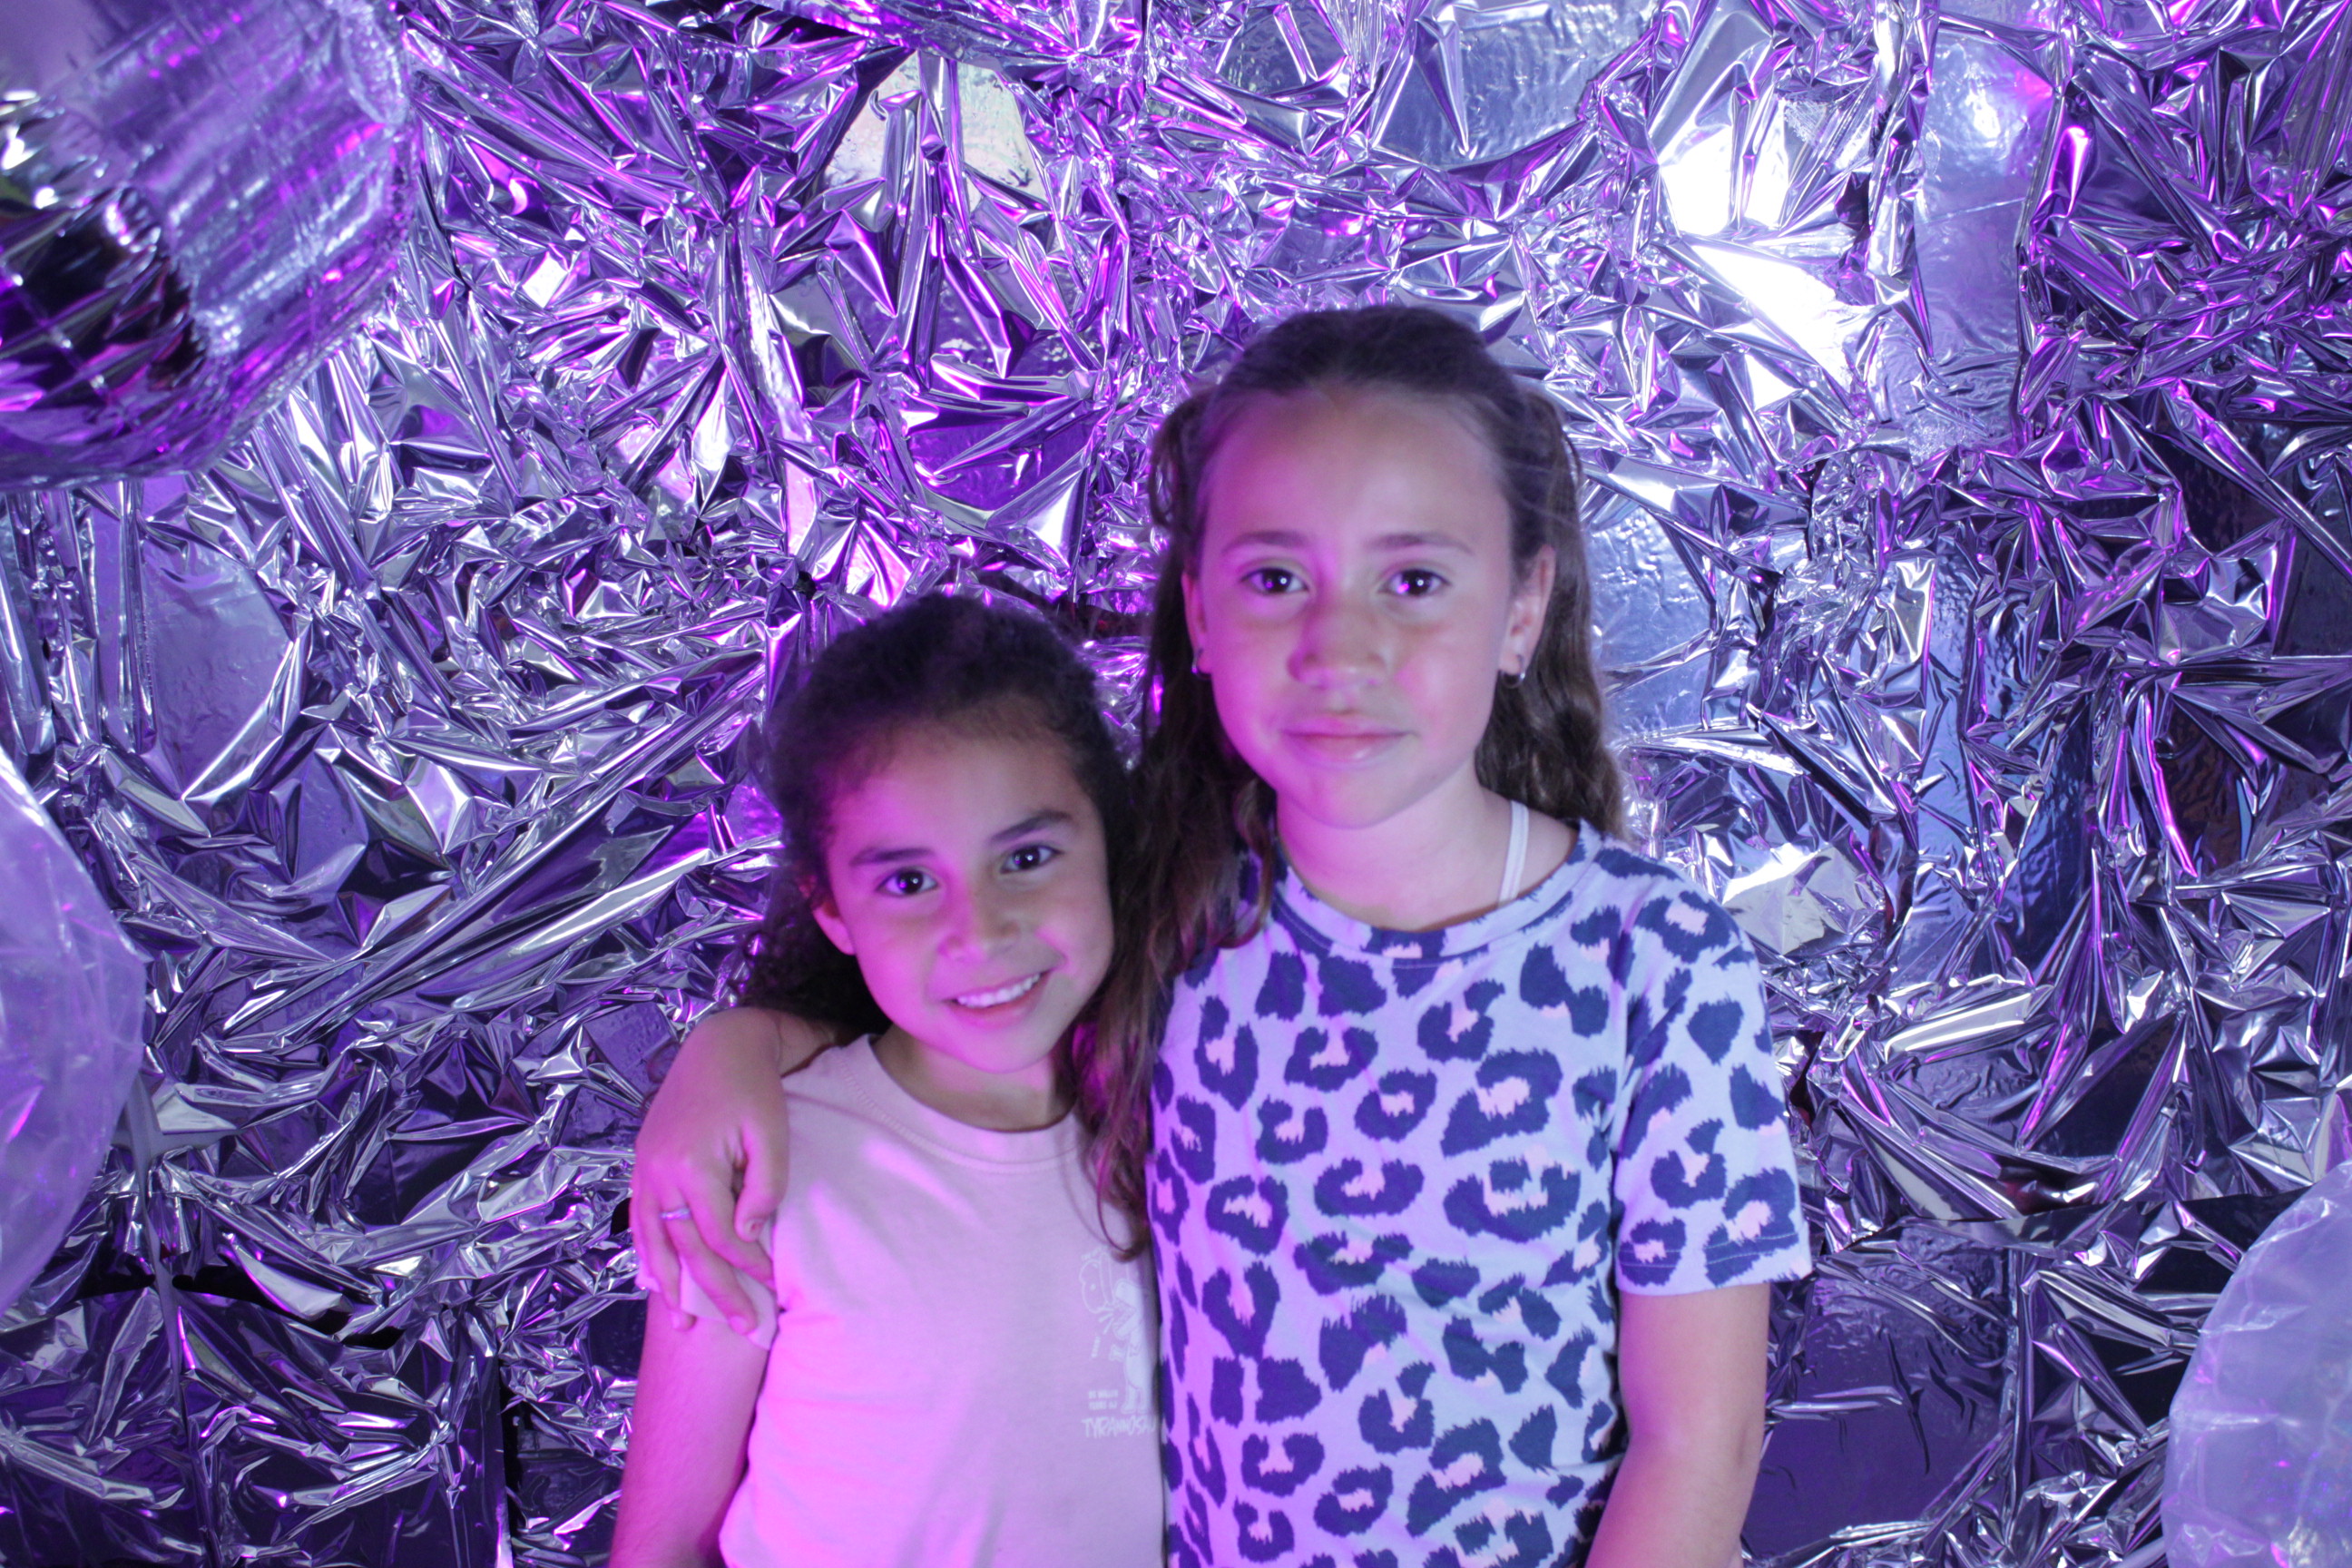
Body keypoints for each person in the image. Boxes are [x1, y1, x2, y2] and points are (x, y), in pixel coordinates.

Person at [634, 306, 1811, 1568]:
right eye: (1275, 580)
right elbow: (954, 993)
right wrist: (732, 1053)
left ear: (1523, 607)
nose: (1340, 648)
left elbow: (1699, 1440)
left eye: (1414, 581)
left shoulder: (1656, 964)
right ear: (1199, 613)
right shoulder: (1176, 907)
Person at [611, 593, 1161, 1568]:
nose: (979, 932)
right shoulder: (759, 1169)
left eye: (1026, 857)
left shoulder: (1187, 1134)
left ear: (1109, 844)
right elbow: (659, 1549)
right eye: (908, 882)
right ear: (831, 910)